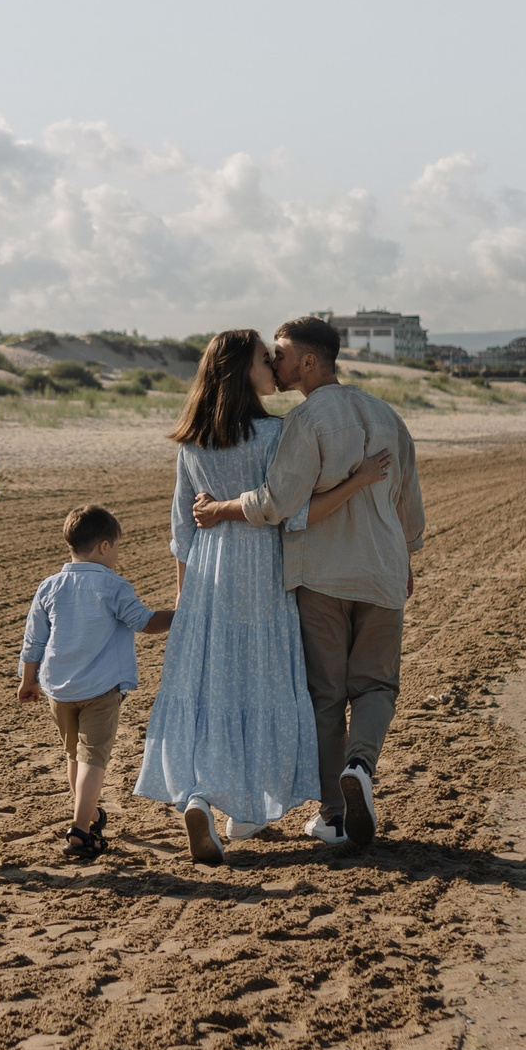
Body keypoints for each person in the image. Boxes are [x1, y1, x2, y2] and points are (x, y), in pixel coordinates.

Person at [137, 329, 392, 865]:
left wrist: (187, 603)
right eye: (263, 359)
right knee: (262, 688)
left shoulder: (192, 440)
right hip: (265, 579)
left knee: (217, 693)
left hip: (208, 580)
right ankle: (241, 807)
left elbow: (182, 528)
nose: (273, 366)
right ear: (241, 372)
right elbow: (296, 512)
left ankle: (211, 799)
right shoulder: (276, 434)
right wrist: (361, 480)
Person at [192, 314, 422, 849]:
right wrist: (405, 554)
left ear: (309, 361)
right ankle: (361, 767)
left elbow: (278, 504)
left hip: (321, 576)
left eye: (281, 351)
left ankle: (335, 815)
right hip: (384, 572)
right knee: (377, 685)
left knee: (324, 696)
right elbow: (410, 504)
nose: (274, 360)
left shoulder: (307, 421)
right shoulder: (388, 415)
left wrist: (222, 509)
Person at [16, 504, 175, 862]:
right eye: (117, 546)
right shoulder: (113, 586)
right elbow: (145, 623)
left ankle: (88, 815)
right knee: (93, 759)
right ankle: (80, 830)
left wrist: (29, 680)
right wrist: (184, 616)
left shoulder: (50, 586)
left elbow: (33, 640)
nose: (117, 554)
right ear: (104, 546)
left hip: (58, 688)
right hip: (100, 689)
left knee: (74, 755)